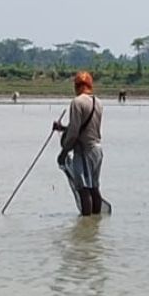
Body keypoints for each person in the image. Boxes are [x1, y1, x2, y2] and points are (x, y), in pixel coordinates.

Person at [53, 71, 104, 216]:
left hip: (84, 151)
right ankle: (95, 224)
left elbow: (75, 133)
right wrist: (62, 128)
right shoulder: (98, 102)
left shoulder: (77, 102)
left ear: (76, 86)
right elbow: (84, 127)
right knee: (94, 187)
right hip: (97, 150)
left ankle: (86, 225)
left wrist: (64, 152)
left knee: (83, 189)